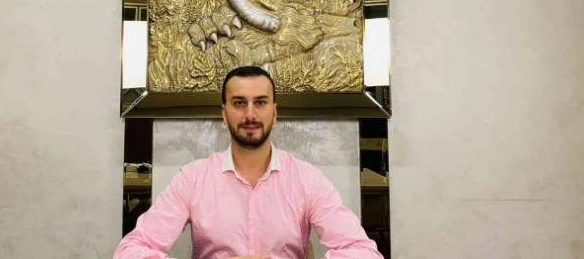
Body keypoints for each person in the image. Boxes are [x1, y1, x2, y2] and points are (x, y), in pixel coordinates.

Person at [113, 65, 383, 259]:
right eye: (239, 103)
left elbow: (363, 251)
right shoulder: (193, 179)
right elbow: (130, 251)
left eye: (261, 103)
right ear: (224, 113)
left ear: (274, 113)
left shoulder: (306, 179)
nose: (250, 114)